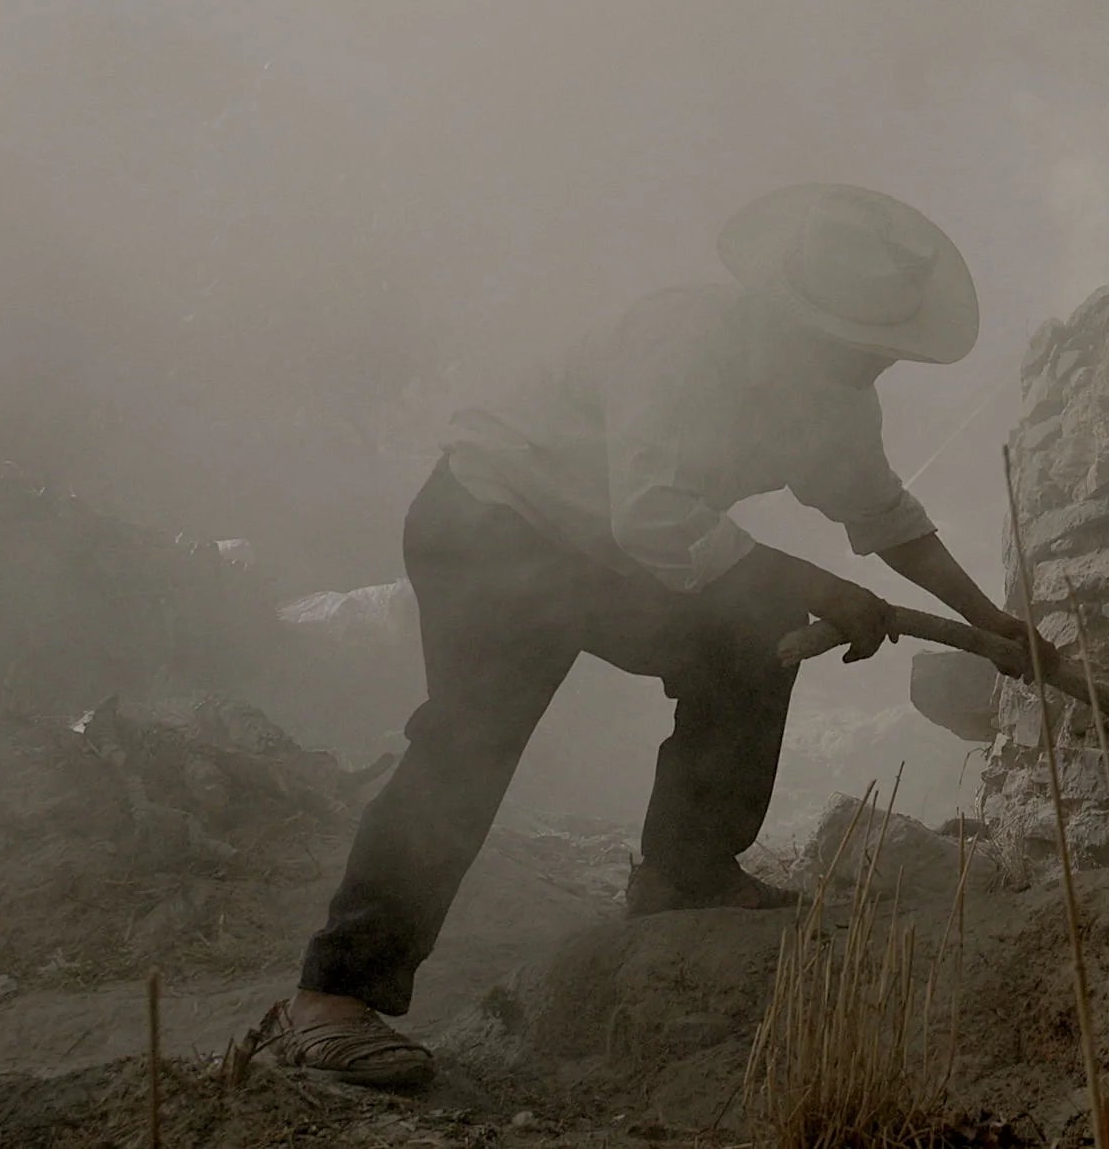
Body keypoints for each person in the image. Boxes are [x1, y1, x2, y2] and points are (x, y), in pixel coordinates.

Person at [260, 183, 1030, 1087]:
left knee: (757, 631)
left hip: (612, 555)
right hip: (496, 522)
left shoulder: (835, 402)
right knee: (471, 739)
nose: (872, 370)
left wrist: (993, 623)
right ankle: (334, 995)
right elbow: (657, 516)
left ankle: (686, 873)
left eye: (881, 356)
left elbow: (885, 516)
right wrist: (826, 585)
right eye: (857, 349)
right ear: (794, 316)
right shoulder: (683, 338)